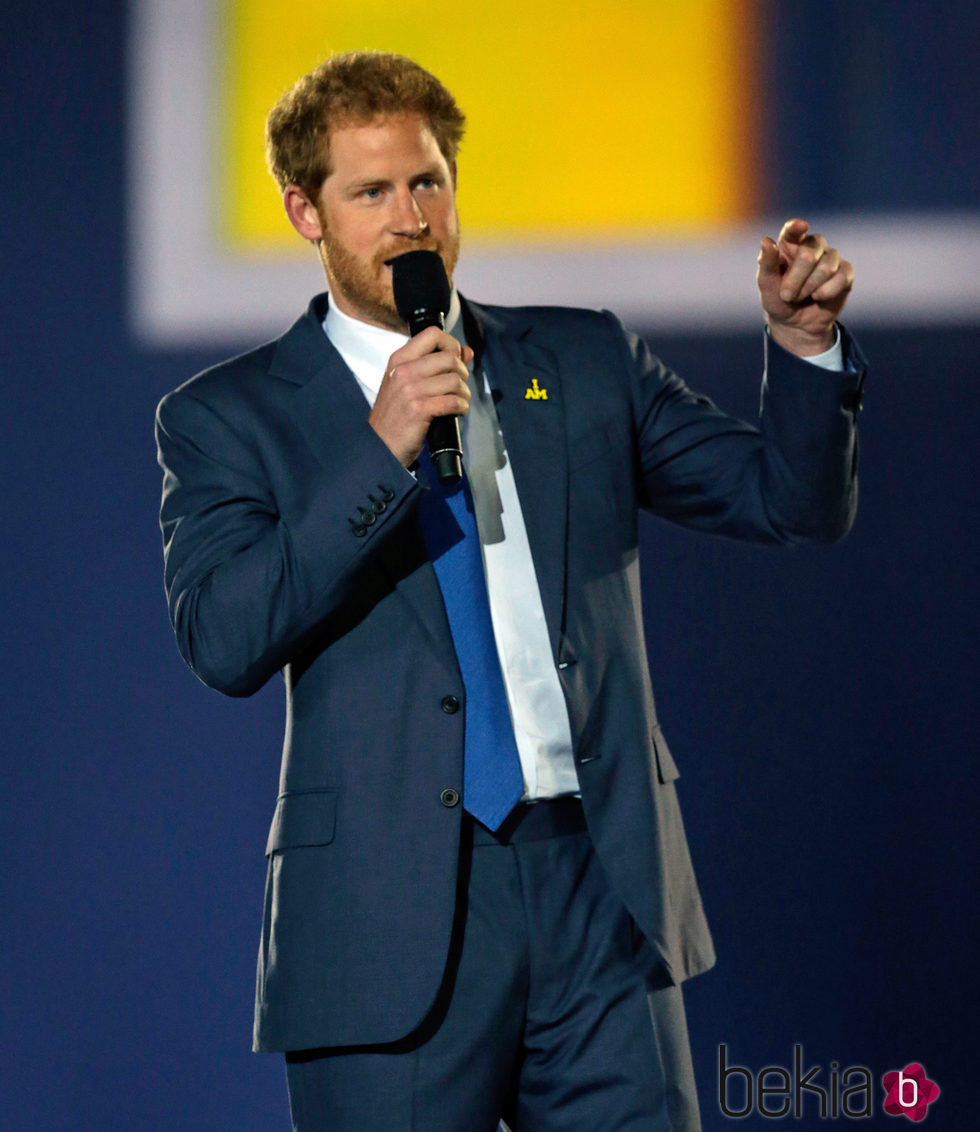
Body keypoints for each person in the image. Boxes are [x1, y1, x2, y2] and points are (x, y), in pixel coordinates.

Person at [156, 51, 865, 1132]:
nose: (410, 218)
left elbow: (786, 501)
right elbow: (223, 637)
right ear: (304, 210)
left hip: (598, 892)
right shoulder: (227, 416)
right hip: (385, 921)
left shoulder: (578, 360)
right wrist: (379, 449)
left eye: (428, 182)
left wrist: (803, 345)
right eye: (370, 191)